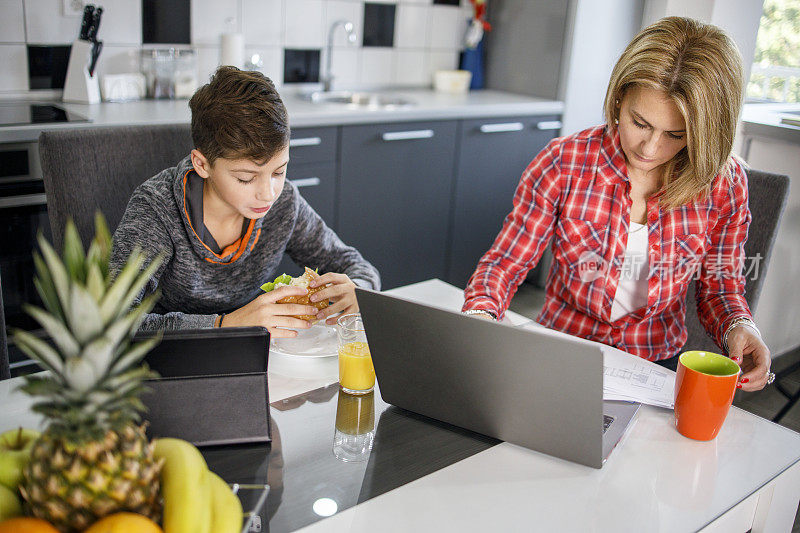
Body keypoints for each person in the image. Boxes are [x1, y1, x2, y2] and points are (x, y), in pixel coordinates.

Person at [461, 17, 772, 391]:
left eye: (676, 135)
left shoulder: (725, 184)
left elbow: (720, 285)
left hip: (657, 365)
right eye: (640, 123)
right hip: (563, 348)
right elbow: (507, 262)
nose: (650, 148)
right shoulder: (565, 161)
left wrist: (740, 326)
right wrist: (480, 315)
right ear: (620, 97)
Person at [110, 66, 380, 337]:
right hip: (171, 362)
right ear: (202, 164)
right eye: (245, 178)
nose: (268, 193)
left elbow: (356, 266)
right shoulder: (157, 209)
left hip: (259, 355)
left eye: (279, 171)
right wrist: (224, 325)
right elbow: (110, 322)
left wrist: (359, 290)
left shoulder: (285, 202)